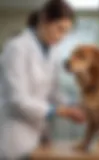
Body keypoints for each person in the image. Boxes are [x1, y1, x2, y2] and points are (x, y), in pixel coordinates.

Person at [0, 0, 85, 159]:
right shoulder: (17, 47)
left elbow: (53, 92)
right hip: (14, 135)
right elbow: (18, 100)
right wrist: (58, 111)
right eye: (59, 29)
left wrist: (74, 105)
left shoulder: (53, 52)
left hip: (37, 135)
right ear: (45, 19)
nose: (62, 37)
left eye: (66, 32)